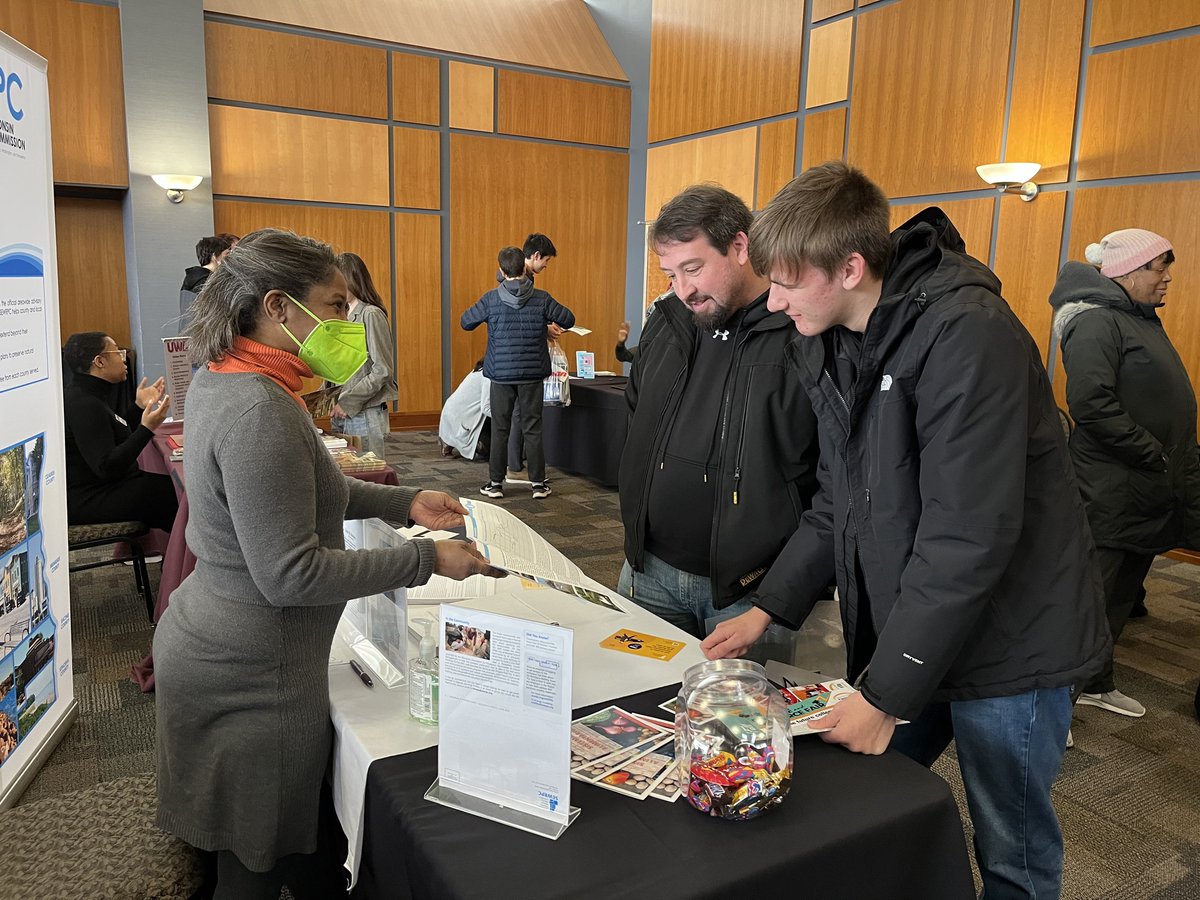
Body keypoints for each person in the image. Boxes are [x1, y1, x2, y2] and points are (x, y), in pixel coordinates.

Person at [703, 162, 1109, 899]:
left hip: (1012, 641)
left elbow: (968, 536)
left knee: (1011, 848)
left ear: (851, 267)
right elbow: (840, 501)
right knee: (862, 803)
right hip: (919, 631)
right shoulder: (828, 337)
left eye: (790, 282)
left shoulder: (967, 335)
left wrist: (885, 695)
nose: (776, 298)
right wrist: (770, 607)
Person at [154, 228, 501, 899]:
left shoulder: (232, 379)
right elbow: (291, 574)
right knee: (251, 872)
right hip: (252, 675)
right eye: (336, 307)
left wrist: (406, 503)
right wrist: (425, 560)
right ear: (280, 307)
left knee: (279, 848)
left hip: (224, 646)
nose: (347, 323)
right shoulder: (260, 408)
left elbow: (310, 492)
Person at [618, 184, 820, 641]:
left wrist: (780, 595)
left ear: (740, 246)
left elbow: (830, 478)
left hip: (752, 595)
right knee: (639, 708)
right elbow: (635, 422)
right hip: (646, 572)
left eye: (694, 269)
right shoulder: (666, 322)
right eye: (671, 273)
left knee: (739, 714)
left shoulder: (801, 332)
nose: (682, 290)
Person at [1050, 229, 1200, 718]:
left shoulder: (1138, 318)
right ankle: (1052, 704)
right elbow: (1091, 404)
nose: (1167, 277)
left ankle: (1094, 681)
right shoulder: (1096, 322)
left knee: (1118, 597)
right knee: (1089, 599)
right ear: (1129, 271)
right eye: (1160, 268)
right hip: (1112, 489)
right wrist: (1152, 453)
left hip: (1143, 490)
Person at [461, 246, 575, 500]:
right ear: (524, 268)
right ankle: (538, 484)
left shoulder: (491, 299)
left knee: (501, 428)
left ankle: (495, 484)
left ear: (502, 271)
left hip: (500, 375)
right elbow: (568, 318)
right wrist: (544, 324)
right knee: (532, 428)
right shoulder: (542, 298)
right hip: (533, 374)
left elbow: (466, 322)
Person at [61, 332, 176, 532]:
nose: (124, 358)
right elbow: (107, 466)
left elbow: (114, 432)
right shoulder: (83, 404)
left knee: (169, 486)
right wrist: (146, 429)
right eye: (117, 352)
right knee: (169, 492)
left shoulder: (88, 393)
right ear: (99, 361)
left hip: (103, 488)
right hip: (90, 499)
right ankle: (187, 559)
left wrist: (139, 406)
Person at [503, 233, 561, 477]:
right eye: (545, 261)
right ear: (535, 256)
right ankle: (517, 465)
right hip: (523, 359)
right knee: (523, 416)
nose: (545, 267)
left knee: (519, 414)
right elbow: (519, 318)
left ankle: (515, 463)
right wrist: (544, 327)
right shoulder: (520, 281)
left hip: (513, 358)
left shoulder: (515, 277)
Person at [329, 252, 397, 458]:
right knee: (347, 474)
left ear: (353, 280)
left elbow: (382, 370)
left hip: (364, 411)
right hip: (340, 408)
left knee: (368, 474)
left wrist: (348, 402)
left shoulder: (371, 314)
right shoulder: (340, 315)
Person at [178, 233, 238, 332]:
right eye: (227, 254)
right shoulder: (207, 282)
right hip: (206, 339)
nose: (230, 258)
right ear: (215, 256)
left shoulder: (193, 278)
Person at [438, 359, 491, 461]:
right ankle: (451, 440)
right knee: (489, 451)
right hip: (459, 416)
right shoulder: (487, 376)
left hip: (454, 412)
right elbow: (486, 408)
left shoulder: (480, 370)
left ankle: (450, 439)